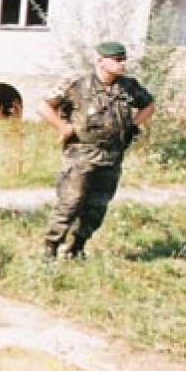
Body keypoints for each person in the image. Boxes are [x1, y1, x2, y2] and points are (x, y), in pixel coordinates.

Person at [38, 41, 155, 260]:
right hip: (82, 154)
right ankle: (50, 249)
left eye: (123, 60)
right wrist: (63, 127)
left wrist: (133, 124)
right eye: (117, 60)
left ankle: (77, 248)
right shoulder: (77, 84)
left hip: (112, 156)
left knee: (97, 205)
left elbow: (149, 105)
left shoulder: (128, 86)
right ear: (101, 61)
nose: (122, 64)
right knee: (70, 202)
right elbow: (44, 106)